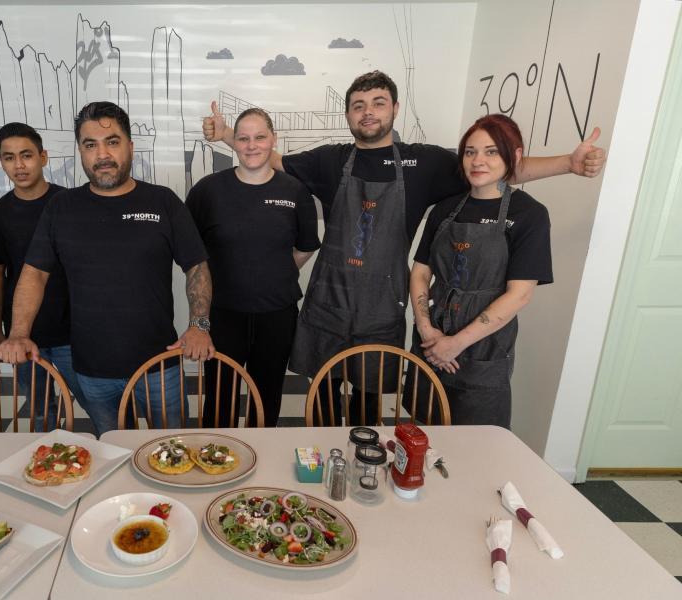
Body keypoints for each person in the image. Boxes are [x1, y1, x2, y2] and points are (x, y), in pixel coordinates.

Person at [203, 70, 605, 425]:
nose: (367, 112)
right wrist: (227, 137)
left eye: (378, 103)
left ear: (395, 108)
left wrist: (566, 164)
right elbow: (266, 157)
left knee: (366, 409)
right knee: (321, 402)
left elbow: (490, 167)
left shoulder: (424, 162)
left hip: (382, 306)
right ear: (348, 116)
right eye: (358, 105)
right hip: (328, 303)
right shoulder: (329, 161)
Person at [0, 101, 214, 436]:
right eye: (90, 145)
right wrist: (18, 333)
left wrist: (199, 324)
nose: (102, 154)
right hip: (93, 369)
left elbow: (196, 265)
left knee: (172, 447)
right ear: (80, 152)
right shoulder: (61, 208)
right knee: (113, 452)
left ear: (130, 145)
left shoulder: (163, 202)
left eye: (112, 141)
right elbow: (34, 274)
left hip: (159, 363)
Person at [406, 114, 551, 428]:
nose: (478, 160)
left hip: (485, 345)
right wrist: (426, 329)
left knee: (478, 439)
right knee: (424, 430)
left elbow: (520, 295)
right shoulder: (445, 209)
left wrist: (456, 343)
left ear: (514, 157)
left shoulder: (529, 214)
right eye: (470, 152)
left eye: (491, 152)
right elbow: (420, 273)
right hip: (433, 335)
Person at [186, 108, 320, 427]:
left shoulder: (295, 192)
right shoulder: (208, 191)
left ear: (273, 140)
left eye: (260, 137)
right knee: (220, 398)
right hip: (224, 314)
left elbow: (306, 246)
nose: (251, 145)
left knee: (267, 396)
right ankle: (216, 462)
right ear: (235, 143)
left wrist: (274, 270)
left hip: (277, 314)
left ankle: (261, 462)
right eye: (243, 138)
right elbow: (191, 254)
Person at [0, 122, 86, 421]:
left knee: (94, 402)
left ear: (43, 157)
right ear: (1, 161)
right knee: (41, 412)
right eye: (9, 157)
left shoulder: (71, 204)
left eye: (26, 155)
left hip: (72, 330)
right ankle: (50, 466)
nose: (19, 165)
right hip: (22, 333)